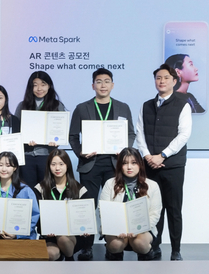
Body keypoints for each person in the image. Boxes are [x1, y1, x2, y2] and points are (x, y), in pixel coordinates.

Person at [68, 68, 135, 261]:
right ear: (93, 85)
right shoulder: (82, 108)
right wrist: (81, 152)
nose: (103, 85)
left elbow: (130, 133)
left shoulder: (123, 107)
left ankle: (112, 245)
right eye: (99, 81)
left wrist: (124, 149)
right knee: (88, 205)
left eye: (106, 81)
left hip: (115, 164)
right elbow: (73, 136)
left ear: (112, 85)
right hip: (90, 164)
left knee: (112, 206)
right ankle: (86, 246)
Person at [134, 64, 192, 261]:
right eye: (158, 78)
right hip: (149, 165)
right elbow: (140, 133)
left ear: (174, 81)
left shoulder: (183, 105)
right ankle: (154, 246)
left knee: (173, 209)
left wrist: (163, 155)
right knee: (152, 208)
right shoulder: (146, 105)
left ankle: (176, 250)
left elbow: (184, 135)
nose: (161, 81)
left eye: (166, 78)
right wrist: (148, 156)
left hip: (173, 166)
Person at [100, 148, 163, 261]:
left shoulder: (152, 185)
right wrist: (116, 228)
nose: (129, 167)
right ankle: (113, 258)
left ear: (140, 164)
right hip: (116, 228)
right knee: (116, 244)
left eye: (134, 163)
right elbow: (103, 211)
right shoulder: (110, 184)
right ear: (120, 165)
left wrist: (138, 229)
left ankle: (147, 261)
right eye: (125, 163)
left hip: (142, 229)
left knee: (140, 243)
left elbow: (155, 214)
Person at [34, 149, 89, 261]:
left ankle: (69, 259)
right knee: (51, 254)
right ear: (48, 166)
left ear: (67, 165)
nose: (57, 168)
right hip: (50, 235)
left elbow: (85, 215)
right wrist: (45, 229)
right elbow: (37, 215)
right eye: (53, 164)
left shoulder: (79, 189)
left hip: (72, 236)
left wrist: (86, 227)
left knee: (63, 238)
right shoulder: (40, 188)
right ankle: (61, 257)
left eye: (61, 164)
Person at [15, 71, 66, 191]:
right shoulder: (22, 106)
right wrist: (24, 140)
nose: (39, 88)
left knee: (47, 190)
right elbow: (16, 131)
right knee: (29, 191)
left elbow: (61, 130)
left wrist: (56, 141)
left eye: (43, 84)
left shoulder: (57, 106)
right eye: (35, 85)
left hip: (47, 155)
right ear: (30, 87)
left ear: (49, 86)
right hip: (27, 156)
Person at [0, 152, 40, 240]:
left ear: (15, 168)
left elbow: (34, 215)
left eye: (8, 166)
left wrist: (17, 235)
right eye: (0, 165)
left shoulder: (25, 191)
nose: (4, 169)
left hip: (21, 238)